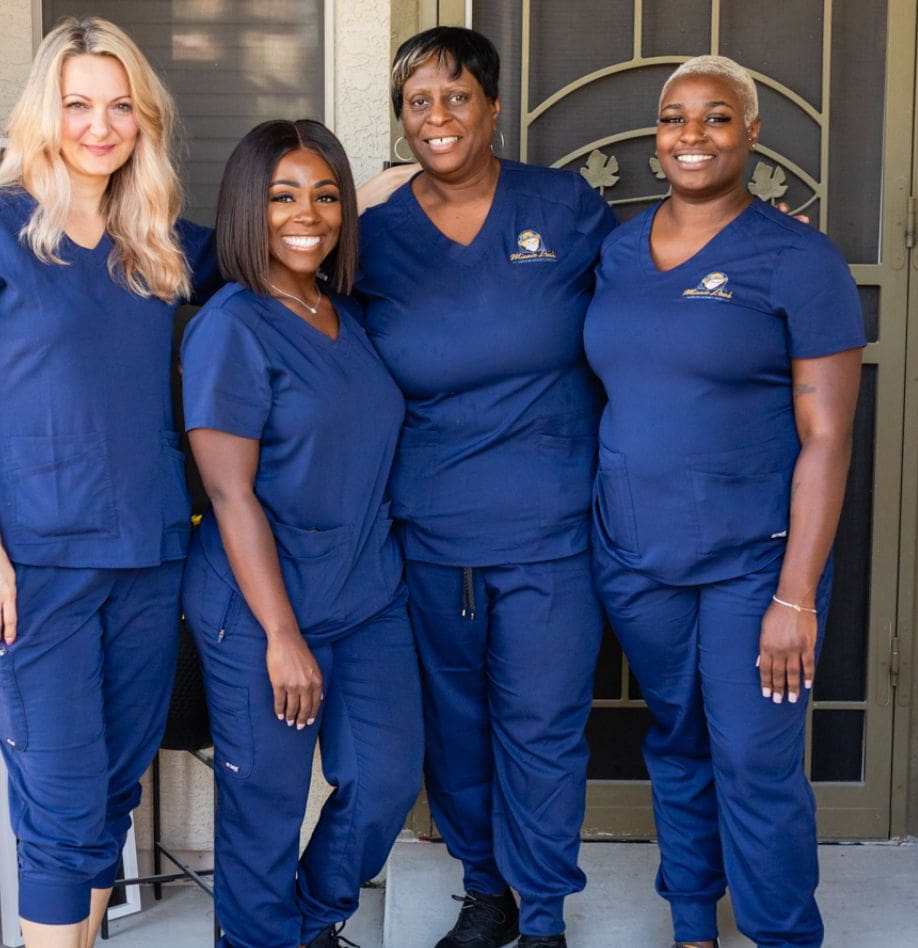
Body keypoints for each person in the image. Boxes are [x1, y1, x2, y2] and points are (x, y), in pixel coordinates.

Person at [0, 18, 219, 948]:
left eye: (120, 105)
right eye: (79, 104)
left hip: (149, 554)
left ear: (145, 119)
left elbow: (283, 226)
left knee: (107, 803)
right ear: (46, 112)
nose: (100, 124)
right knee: (58, 814)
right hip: (34, 567)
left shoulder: (157, 239)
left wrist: (405, 187)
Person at [582, 55, 866, 948]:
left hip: (756, 564)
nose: (691, 136)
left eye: (715, 118)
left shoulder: (798, 258)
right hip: (637, 556)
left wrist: (794, 596)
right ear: (655, 137)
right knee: (678, 742)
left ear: (751, 134)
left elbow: (827, 437)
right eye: (674, 118)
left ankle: (784, 935)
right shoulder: (617, 251)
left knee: (755, 762)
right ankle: (693, 927)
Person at [352, 27, 618, 948]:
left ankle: (543, 914)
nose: (438, 117)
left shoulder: (566, 207)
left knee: (541, 729)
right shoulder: (375, 238)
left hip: (551, 535)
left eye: (457, 97)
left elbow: (653, 283)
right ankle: (487, 891)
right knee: (456, 734)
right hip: (428, 535)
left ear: (493, 108)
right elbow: (280, 293)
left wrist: (748, 237)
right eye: (418, 101)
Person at [179, 119, 423, 948]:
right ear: (250, 207)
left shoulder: (341, 311)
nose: (307, 212)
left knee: (387, 778)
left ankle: (313, 922)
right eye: (283, 195)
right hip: (260, 609)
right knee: (265, 810)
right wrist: (282, 635)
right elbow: (228, 492)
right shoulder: (232, 325)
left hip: (366, 596)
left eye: (326, 195)